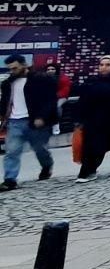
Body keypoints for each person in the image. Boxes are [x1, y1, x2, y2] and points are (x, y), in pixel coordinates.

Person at [2, 55, 57, 189]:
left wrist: (42, 117)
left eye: (15, 68)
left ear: (24, 65)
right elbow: (5, 102)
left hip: (35, 121)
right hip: (15, 121)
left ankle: (47, 166)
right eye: (10, 69)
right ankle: (10, 179)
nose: (12, 71)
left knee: (40, 149)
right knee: (12, 151)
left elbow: (49, 100)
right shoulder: (8, 83)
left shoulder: (41, 79)